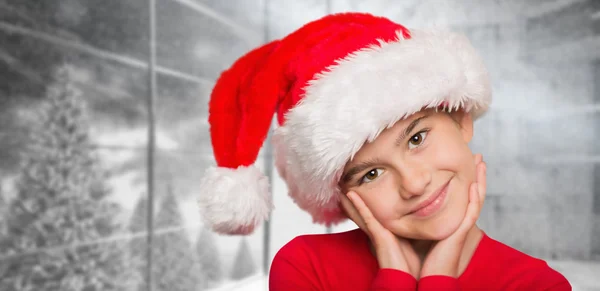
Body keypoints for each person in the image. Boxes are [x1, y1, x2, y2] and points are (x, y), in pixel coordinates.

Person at [197, 12, 571, 290]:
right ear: (341, 197)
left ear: (461, 118)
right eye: (371, 174)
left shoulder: (538, 284)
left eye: (416, 138)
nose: (413, 183)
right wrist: (396, 276)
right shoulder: (305, 267)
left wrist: (439, 274)